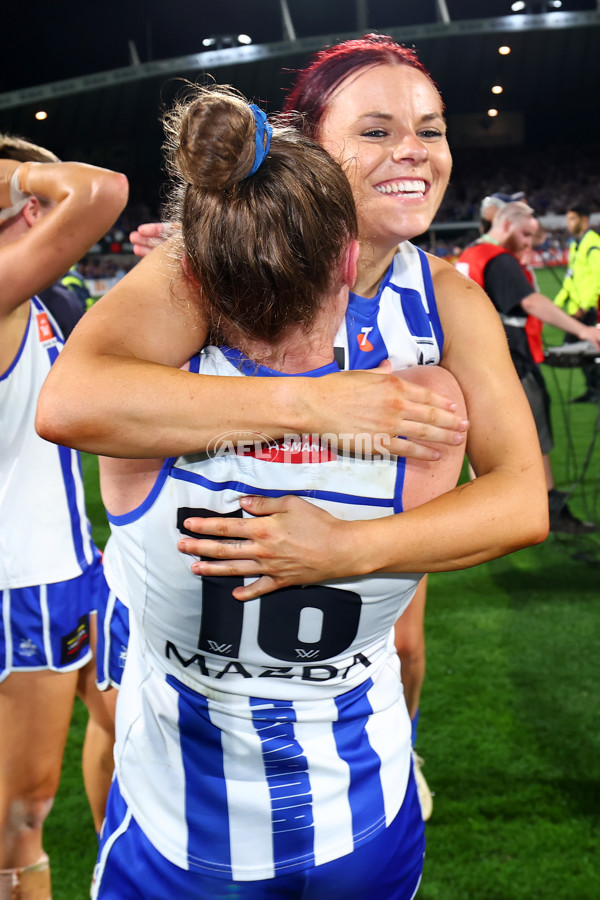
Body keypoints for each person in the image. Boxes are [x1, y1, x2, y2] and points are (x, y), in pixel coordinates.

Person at [38, 33, 547, 857]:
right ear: (309, 148)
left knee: (402, 639)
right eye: (377, 131)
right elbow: (74, 398)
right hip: (193, 677)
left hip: (350, 629)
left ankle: (394, 753)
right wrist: (319, 402)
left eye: (433, 128)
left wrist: (347, 548)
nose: (414, 150)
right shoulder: (207, 267)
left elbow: (521, 495)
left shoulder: (445, 298)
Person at [0, 136, 128, 899]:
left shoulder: (51, 300)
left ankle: (134, 872)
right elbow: (102, 190)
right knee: (18, 825)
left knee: (145, 737)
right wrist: (17, 174)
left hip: (77, 572)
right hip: (21, 587)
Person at [456, 200, 600, 535]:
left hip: (478, 360)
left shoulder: (471, 253)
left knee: (485, 436)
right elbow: (531, 302)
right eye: (524, 235)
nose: (528, 244)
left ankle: (482, 510)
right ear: (506, 226)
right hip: (508, 361)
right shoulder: (499, 259)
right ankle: (544, 507)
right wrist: (583, 331)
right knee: (533, 429)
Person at [554, 201, 600, 403]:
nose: (568, 223)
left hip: (587, 310)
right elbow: (570, 279)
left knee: (579, 350)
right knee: (584, 351)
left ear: (584, 220)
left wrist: (585, 305)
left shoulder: (593, 244)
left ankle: (594, 390)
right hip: (577, 309)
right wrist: (556, 306)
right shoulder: (576, 245)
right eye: (567, 219)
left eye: (572, 219)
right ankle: (593, 390)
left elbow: (598, 277)